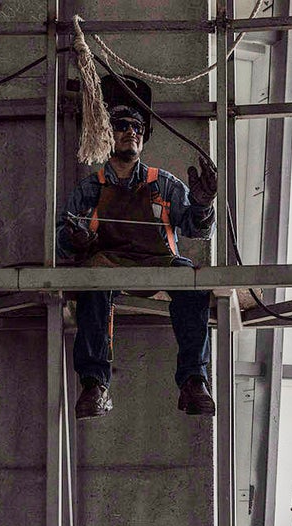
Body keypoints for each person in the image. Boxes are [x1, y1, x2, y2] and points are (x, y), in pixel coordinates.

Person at [57, 73, 220, 419]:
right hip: (109, 265)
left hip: (160, 264)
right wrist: (74, 241)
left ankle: (194, 380)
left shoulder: (164, 184)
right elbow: (62, 243)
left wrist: (203, 204)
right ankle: (94, 384)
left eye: (137, 127)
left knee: (191, 282)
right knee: (90, 280)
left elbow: (196, 228)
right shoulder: (89, 189)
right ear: (106, 133)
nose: (131, 131)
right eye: (121, 124)